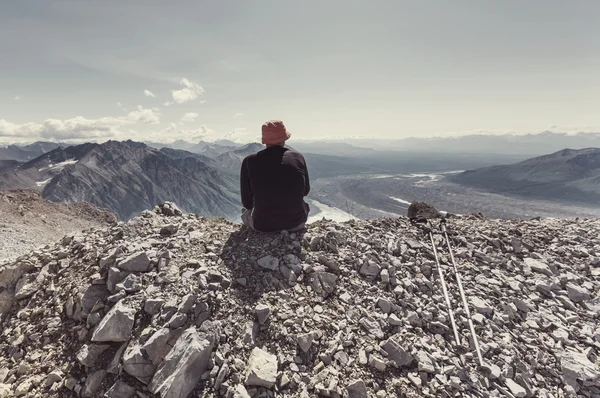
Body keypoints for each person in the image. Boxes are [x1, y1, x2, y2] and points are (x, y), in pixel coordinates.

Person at [240, 120, 310, 232]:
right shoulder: (298, 157)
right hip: (297, 223)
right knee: (304, 205)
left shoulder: (249, 161)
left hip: (262, 226)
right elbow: (305, 191)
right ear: (284, 138)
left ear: (264, 140)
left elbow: (247, 202)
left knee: (245, 213)